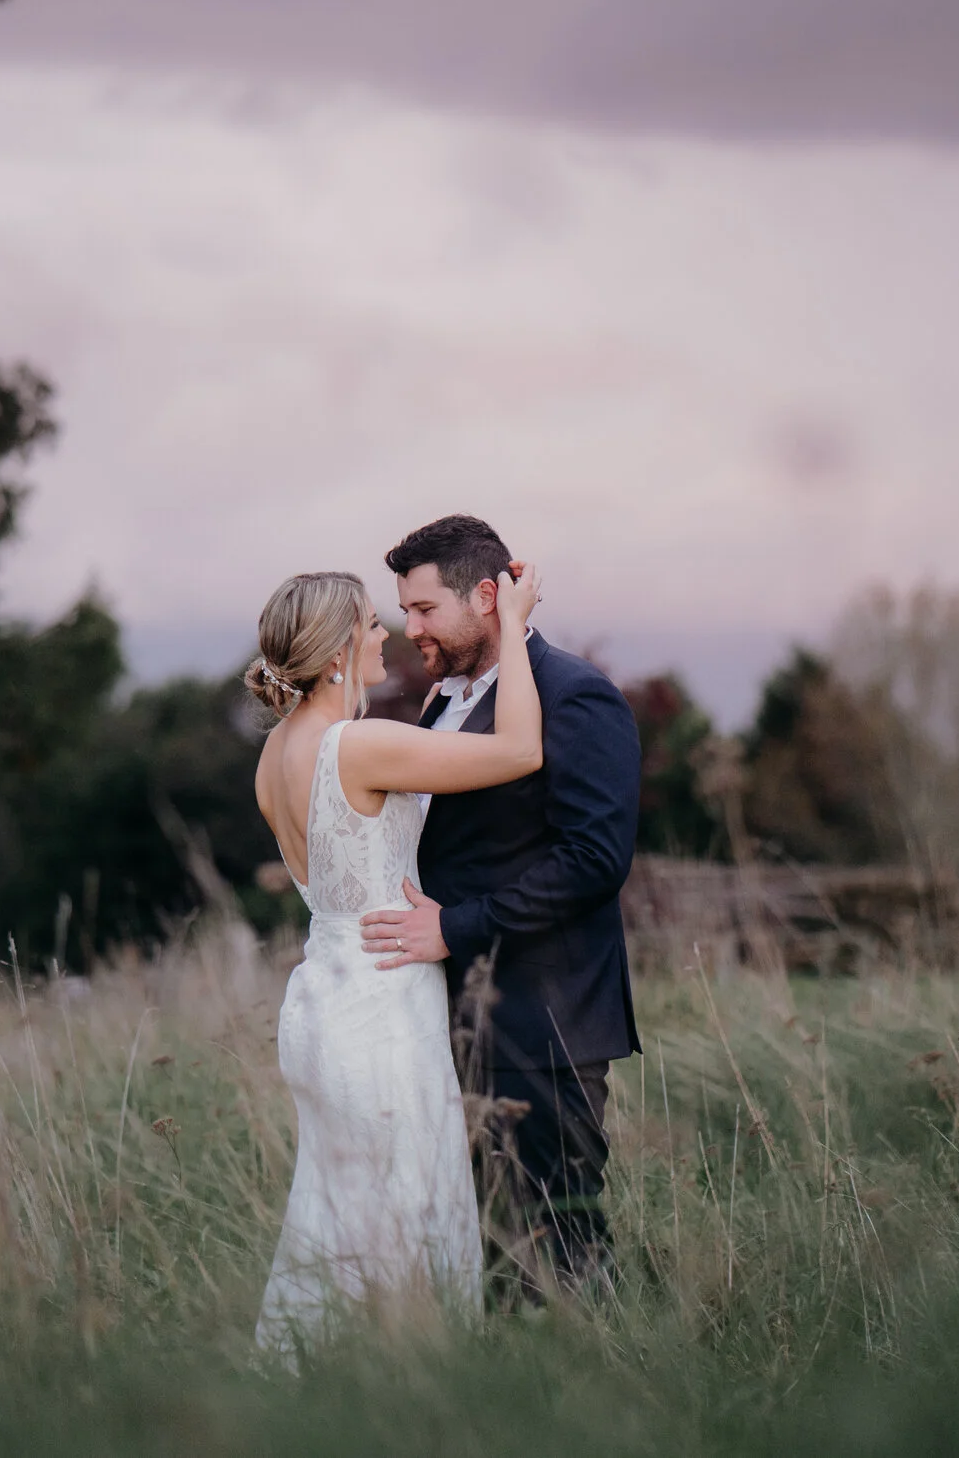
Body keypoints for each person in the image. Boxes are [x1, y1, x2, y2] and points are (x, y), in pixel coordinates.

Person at [247, 559, 547, 1352]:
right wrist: (512, 624)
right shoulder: (358, 745)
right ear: (342, 646)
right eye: (374, 624)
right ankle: (410, 1386)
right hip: (381, 1001)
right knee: (409, 1209)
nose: (389, 635)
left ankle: (317, 1379)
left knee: (336, 1209)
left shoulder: (276, 750)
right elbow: (518, 749)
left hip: (324, 998)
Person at [360, 514, 643, 1301]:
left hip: (540, 1023)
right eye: (404, 609)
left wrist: (453, 927)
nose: (407, 626)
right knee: (488, 1252)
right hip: (450, 1019)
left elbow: (593, 861)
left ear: (487, 596)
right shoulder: (443, 702)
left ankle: (620, 1393)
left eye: (423, 609)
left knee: (560, 1243)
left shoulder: (575, 695)